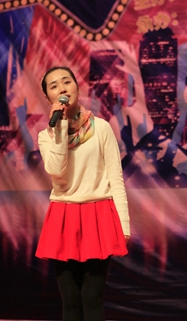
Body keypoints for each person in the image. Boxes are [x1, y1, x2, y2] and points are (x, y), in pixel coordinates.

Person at [35, 66, 130, 321]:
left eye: (66, 82)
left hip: (98, 214)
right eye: (54, 86)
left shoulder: (101, 128)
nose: (62, 88)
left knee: (91, 297)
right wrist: (60, 128)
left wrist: (123, 224)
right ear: (48, 97)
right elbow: (57, 170)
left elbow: (116, 178)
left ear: (77, 87)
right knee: (70, 301)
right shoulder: (46, 136)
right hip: (63, 215)